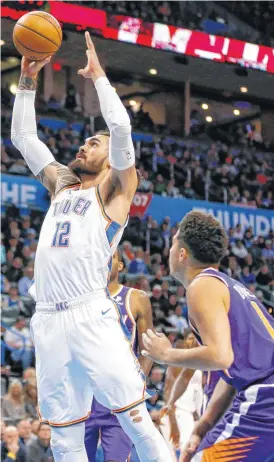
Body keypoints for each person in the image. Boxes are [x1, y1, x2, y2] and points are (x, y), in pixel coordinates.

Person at [11, 32, 171, 462]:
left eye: (93, 143)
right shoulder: (62, 184)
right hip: (46, 319)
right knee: (64, 438)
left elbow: (120, 127)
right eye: (85, 142)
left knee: (136, 420)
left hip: (89, 312)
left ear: (110, 157)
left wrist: (100, 78)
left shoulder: (116, 189)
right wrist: (26, 82)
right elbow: (24, 138)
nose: (84, 146)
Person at [142, 211, 274, 461]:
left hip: (266, 398)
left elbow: (220, 356)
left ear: (182, 254)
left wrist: (166, 354)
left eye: (173, 243)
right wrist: (203, 428)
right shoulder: (228, 285)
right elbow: (230, 373)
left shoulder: (201, 286)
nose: (169, 250)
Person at [85, 248, 154, 461]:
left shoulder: (136, 298)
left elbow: (148, 350)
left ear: (120, 265)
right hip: (84, 396)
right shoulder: (80, 300)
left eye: (111, 257)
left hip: (118, 398)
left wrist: (135, 384)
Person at [160, 331, 203, 458]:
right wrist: (173, 424)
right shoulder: (178, 361)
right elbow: (168, 392)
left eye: (195, 338)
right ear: (184, 341)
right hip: (177, 412)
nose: (193, 342)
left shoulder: (200, 362)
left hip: (190, 414)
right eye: (190, 338)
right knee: (184, 453)